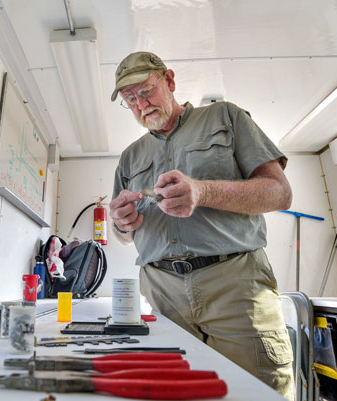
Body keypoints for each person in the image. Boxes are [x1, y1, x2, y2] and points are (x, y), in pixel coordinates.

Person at [109, 51, 294, 400]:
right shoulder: (129, 157)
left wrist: (202, 190)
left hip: (235, 287)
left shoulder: (226, 117)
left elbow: (280, 193)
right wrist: (121, 223)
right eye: (130, 100)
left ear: (170, 80)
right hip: (162, 294)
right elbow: (122, 235)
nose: (141, 104)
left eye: (146, 90)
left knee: (258, 391)